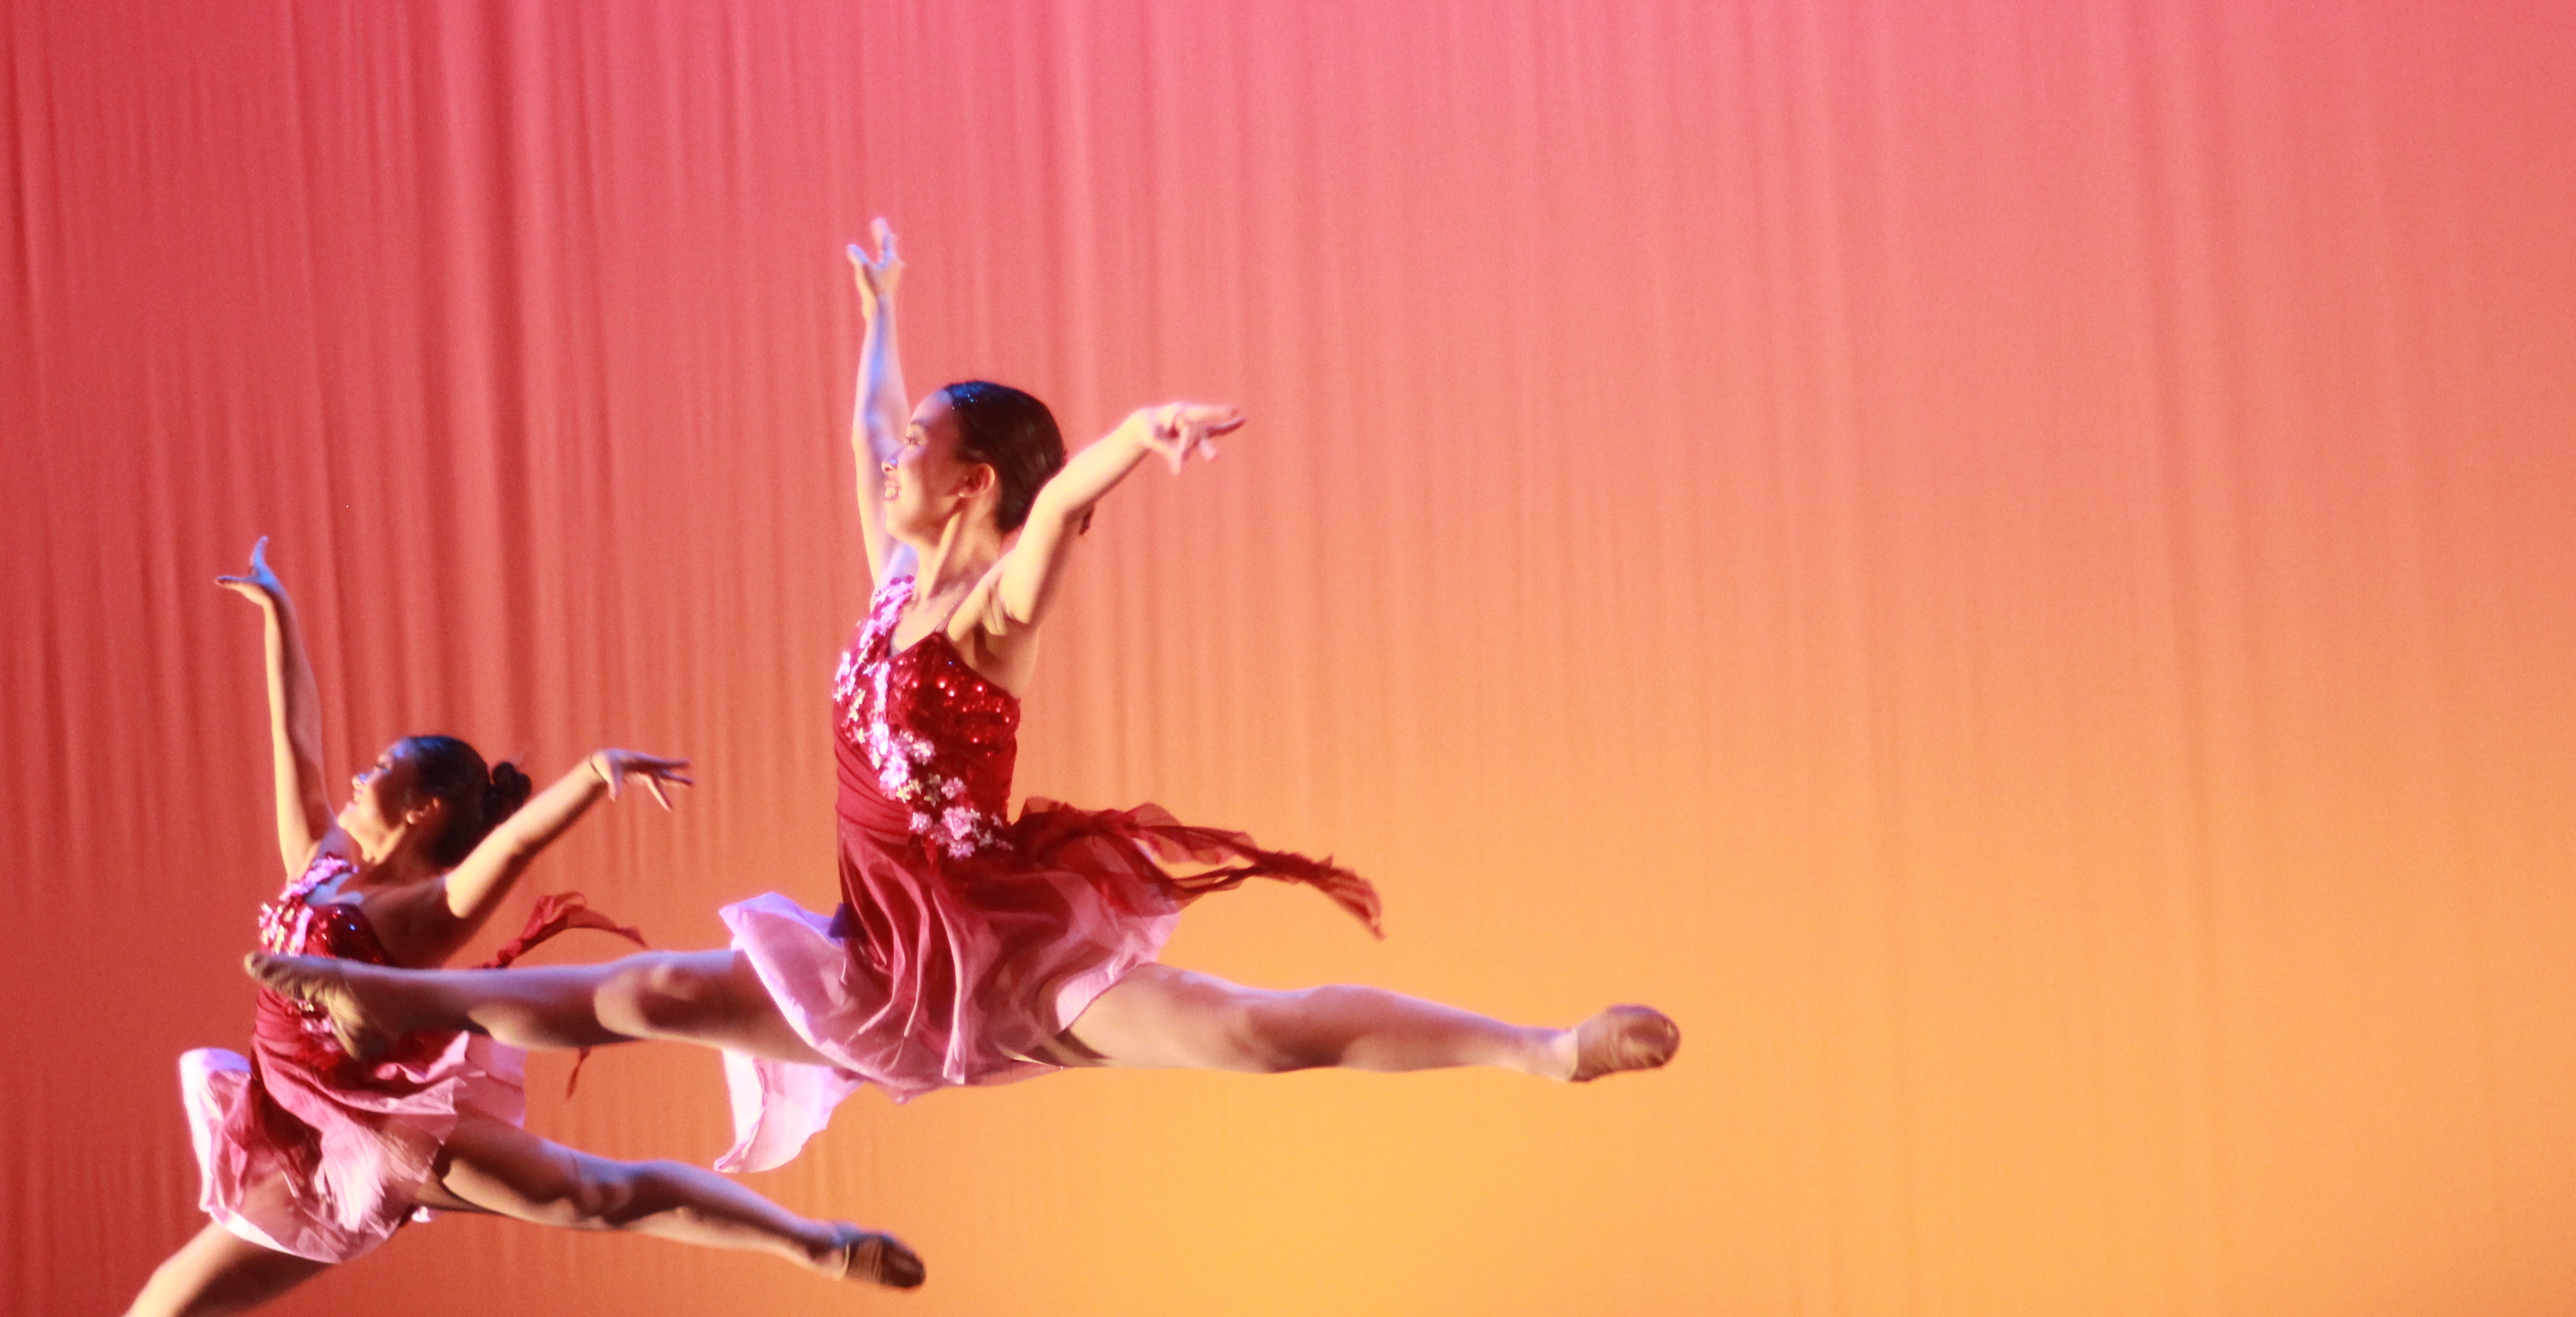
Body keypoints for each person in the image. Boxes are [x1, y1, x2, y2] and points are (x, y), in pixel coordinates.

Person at [247, 221, 1677, 1176]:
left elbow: (1052, 529)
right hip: (875, 949)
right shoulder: (891, 576)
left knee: (1252, 1032)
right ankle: (380, 994)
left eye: (920, 447)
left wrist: (1130, 434)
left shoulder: (989, 615)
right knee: (650, 994)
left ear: (974, 484)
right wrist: (881, 320)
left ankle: (1540, 1051)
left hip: (1001, 950)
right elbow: (866, 428)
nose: (889, 461)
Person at [0, 542, 921, 1317]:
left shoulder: (413, 916)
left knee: (598, 1197)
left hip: (379, 1137)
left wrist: (590, 779)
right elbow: (296, 752)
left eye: (377, 768)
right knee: (169, 1307)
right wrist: (279, 626)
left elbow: (502, 861)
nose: (353, 780)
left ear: (424, 809)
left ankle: (816, 1244)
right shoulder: (326, 868)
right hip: (301, 1134)